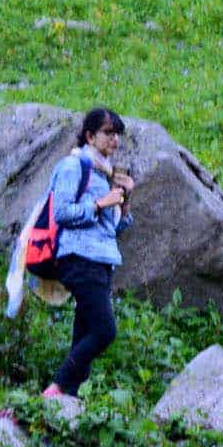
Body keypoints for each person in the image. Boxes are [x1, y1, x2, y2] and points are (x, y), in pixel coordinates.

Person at [39, 107, 135, 399]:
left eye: (117, 134)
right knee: (104, 330)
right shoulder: (74, 166)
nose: (114, 140)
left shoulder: (104, 172)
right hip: (80, 258)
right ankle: (55, 389)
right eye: (108, 133)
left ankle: (69, 395)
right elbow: (62, 213)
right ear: (90, 136)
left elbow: (113, 229)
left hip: (102, 259)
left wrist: (125, 201)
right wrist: (99, 204)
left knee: (84, 332)